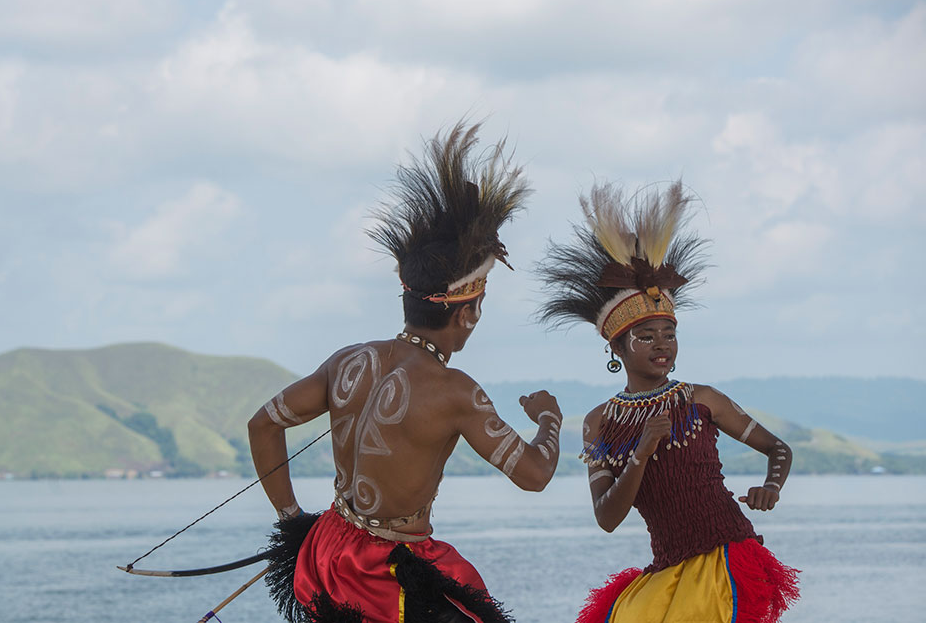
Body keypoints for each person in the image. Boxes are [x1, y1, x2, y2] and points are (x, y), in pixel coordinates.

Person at [248, 122, 563, 623]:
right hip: (383, 577)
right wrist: (549, 420)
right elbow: (535, 475)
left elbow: (262, 424)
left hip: (326, 550)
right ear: (467, 312)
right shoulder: (455, 392)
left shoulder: (347, 360)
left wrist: (293, 522)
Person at [536, 181, 800, 623]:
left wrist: (770, 487)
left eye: (670, 334)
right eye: (646, 337)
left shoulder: (703, 401)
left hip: (727, 562)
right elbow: (606, 517)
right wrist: (640, 452)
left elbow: (779, 449)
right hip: (667, 574)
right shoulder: (599, 422)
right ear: (616, 348)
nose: (663, 346)